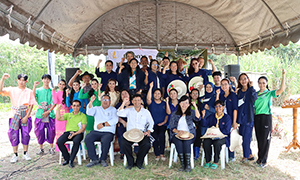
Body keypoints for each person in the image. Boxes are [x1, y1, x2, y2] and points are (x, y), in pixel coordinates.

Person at [0, 73, 37, 163]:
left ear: (26, 81)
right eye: (20, 80)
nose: (21, 82)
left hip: (25, 114)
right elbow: (1, 90)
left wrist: (27, 115)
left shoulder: (29, 91)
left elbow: (32, 104)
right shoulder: (12, 90)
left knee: (25, 134)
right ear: (17, 80)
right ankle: (15, 154)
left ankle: (25, 153)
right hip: (14, 114)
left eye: (23, 80)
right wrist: (3, 79)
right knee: (13, 134)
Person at [254, 69, 286, 168]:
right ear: (258, 84)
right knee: (259, 139)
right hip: (257, 117)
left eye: (264, 83)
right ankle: (259, 159)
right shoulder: (256, 94)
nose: (262, 85)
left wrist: (283, 75)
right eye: (260, 83)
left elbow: (281, 90)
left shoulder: (269, 93)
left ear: (266, 83)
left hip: (266, 118)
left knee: (265, 139)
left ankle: (264, 161)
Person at [117, 94, 154, 170]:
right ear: (132, 102)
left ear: (141, 101)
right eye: (135, 100)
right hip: (130, 134)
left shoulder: (146, 112)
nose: (137, 102)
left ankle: (139, 162)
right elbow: (119, 113)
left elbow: (151, 122)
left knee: (147, 144)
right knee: (124, 143)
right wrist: (124, 102)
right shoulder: (129, 110)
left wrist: (149, 131)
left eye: (138, 100)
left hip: (141, 133)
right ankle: (130, 162)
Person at [169, 95, 201, 172]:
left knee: (187, 142)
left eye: (186, 103)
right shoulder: (174, 114)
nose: (184, 104)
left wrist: (195, 107)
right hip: (177, 135)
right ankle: (183, 165)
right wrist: (178, 132)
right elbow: (171, 127)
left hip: (189, 135)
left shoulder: (191, 113)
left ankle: (188, 165)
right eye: (182, 102)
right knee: (179, 142)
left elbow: (198, 118)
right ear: (179, 103)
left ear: (189, 104)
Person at [85, 95, 118, 167]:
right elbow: (89, 112)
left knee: (105, 140)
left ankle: (103, 159)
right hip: (97, 131)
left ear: (110, 101)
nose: (105, 102)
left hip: (108, 132)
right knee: (88, 138)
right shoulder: (97, 108)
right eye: (103, 100)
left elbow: (115, 120)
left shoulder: (113, 109)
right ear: (101, 101)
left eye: (107, 100)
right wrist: (91, 102)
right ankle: (94, 159)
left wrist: (103, 124)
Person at [56, 100, 87, 168]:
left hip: (78, 133)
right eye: (74, 105)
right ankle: (67, 158)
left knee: (76, 141)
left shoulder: (83, 116)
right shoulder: (68, 114)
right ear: (72, 106)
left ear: (80, 107)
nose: (76, 107)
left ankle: (71, 160)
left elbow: (83, 128)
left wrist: (75, 134)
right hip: (68, 132)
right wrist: (58, 109)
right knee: (59, 142)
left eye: (77, 105)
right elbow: (58, 118)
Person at [202, 100, 231, 170]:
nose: (218, 108)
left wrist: (217, 133)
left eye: (220, 106)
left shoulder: (227, 117)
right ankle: (208, 161)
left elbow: (227, 131)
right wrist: (203, 116)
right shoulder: (212, 116)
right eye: (216, 106)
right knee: (206, 142)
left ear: (223, 107)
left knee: (217, 143)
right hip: (212, 136)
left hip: (222, 137)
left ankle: (215, 161)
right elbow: (204, 124)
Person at [33, 74, 57, 155]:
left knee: (51, 130)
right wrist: (34, 86)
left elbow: (55, 102)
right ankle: (41, 148)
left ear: (50, 80)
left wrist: (49, 111)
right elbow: (33, 97)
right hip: (40, 113)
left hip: (50, 114)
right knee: (39, 131)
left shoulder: (52, 91)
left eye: (48, 79)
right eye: (44, 79)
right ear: (42, 80)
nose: (46, 81)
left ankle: (51, 147)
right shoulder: (38, 90)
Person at [147, 82, 170, 161]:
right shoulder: (151, 103)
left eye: (159, 93)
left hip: (162, 124)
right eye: (155, 93)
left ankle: (162, 153)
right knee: (155, 137)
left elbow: (167, 114)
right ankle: (157, 154)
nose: (157, 95)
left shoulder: (164, 103)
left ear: (161, 95)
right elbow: (148, 99)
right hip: (153, 125)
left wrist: (164, 122)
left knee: (161, 136)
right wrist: (150, 88)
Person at [237, 73, 257, 162]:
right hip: (241, 118)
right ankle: (249, 154)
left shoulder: (251, 90)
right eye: (241, 79)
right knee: (243, 134)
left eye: (245, 79)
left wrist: (252, 87)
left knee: (246, 138)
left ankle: (245, 156)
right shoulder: (239, 91)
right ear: (239, 81)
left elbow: (254, 98)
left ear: (248, 80)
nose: (243, 81)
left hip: (248, 118)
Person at [216, 78, 238, 161]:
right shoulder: (221, 96)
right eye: (222, 84)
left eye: (226, 84)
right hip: (222, 119)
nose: (224, 86)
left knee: (231, 136)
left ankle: (231, 156)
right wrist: (217, 95)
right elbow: (217, 105)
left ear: (229, 85)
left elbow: (235, 109)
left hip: (231, 119)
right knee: (223, 135)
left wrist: (234, 122)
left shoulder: (233, 95)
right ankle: (221, 154)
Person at [52, 79, 71, 152]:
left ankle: (67, 148)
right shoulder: (56, 93)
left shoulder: (67, 93)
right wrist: (53, 92)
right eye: (60, 84)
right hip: (59, 113)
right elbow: (55, 102)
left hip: (66, 113)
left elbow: (68, 104)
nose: (61, 86)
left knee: (66, 130)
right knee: (59, 130)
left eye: (63, 84)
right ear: (58, 84)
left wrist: (67, 95)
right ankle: (60, 148)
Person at [115, 89, 133, 160]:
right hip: (123, 123)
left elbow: (140, 107)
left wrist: (127, 106)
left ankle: (136, 151)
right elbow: (116, 115)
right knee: (120, 132)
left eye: (126, 93)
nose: (124, 95)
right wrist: (123, 122)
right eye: (122, 94)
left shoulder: (134, 102)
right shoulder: (119, 105)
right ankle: (123, 152)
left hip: (133, 123)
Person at [189, 88, 203, 160]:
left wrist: (196, 124)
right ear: (190, 95)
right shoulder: (187, 103)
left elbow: (200, 115)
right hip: (189, 123)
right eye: (193, 93)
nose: (195, 95)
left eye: (196, 93)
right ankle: (190, 153)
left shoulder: (200, 104)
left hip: (198, 123)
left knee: (198, 137)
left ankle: (196, 154)